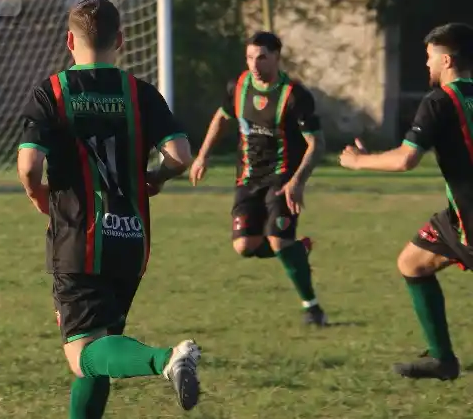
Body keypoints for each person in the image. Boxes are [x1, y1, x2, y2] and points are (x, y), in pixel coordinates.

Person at [18, 0, 201, 417]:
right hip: (131, 239)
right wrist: (158, 176)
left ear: (69, 41)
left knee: (83, 353)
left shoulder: (52, 91)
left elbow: (29, 166)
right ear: (120, 40)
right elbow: (180, 154)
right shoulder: (140, 93)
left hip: (78, 239)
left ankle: (166, 360)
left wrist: (37, 195)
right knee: (101, 350)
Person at [340, 22, 473, 381]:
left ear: (447, 60)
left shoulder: (439, 101)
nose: (426, 65)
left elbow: (405, 159)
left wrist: (358, 161)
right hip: (457, 215)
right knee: (413, 262)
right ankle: (443, 360)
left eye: (430, 57)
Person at [189, 31, 329, 327]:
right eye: (250, 57)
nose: (254, 64)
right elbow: (222, 117)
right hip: (248, 176)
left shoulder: (295, 95)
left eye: (262, 57)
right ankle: (297, 249)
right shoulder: (239, 86)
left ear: (277, 57)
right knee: (244, 246)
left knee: (278, 240)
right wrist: (202, 155)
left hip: (283, 177)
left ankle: (313, 308)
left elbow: (317, 144)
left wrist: (298, 181)